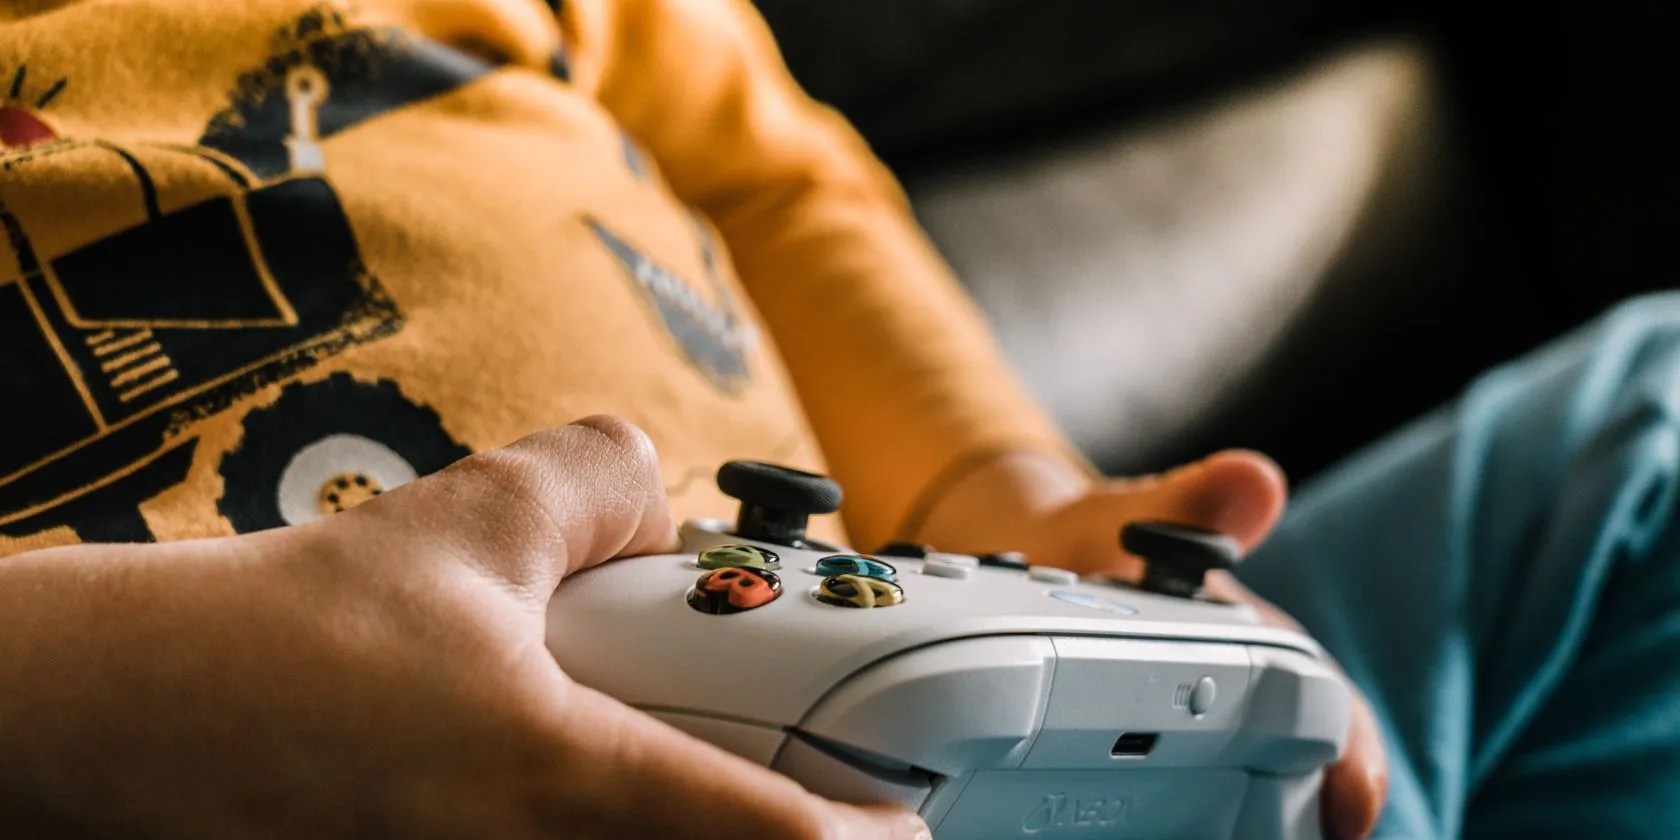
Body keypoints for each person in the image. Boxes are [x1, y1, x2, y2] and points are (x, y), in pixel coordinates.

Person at [0, 1, 1673, 837]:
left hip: (959, 743)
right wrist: (86, 701)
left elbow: (771, 181)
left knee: (1653, 407)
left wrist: (1000, 487)